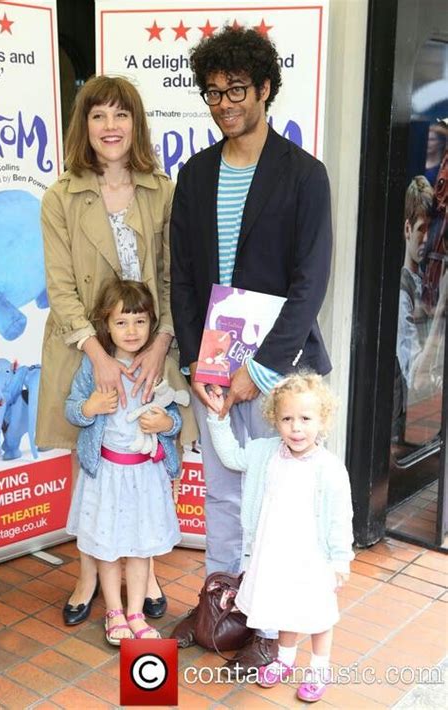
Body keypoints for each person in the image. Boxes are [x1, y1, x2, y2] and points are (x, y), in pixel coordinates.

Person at [170, 25, 333, 672]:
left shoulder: (303, 175)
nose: (225, 102)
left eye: (237, 88)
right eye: (213, 92)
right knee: (219, 494)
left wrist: (258, 372)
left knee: (277, 505)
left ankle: (272, 624)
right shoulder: (197, 172)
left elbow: (309, 283)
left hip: (280, 375)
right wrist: (195, 362)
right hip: (212, 364)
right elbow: (183, 276)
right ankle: (221, 606)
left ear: (265, 88)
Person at [37, 75, 195, 626]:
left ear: (136, 123)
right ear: (84, 125)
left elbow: (179, 277)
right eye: (98, 116)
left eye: (120, 115)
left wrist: (161, 341)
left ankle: (145, 572)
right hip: (84, 347)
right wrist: (96, 353)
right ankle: (88, 575)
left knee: (150, 458)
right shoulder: (61, 196)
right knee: (97, 463)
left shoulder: (163, 190)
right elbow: (60, 285)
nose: (110, 127)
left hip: (151, 345)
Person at [207, 372, 354, 701]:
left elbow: (340, 517)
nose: (296, 427)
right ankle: (284, 659)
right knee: (287, 608)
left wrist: (340, 558)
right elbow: (232, 456)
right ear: (275, 419)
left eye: (305, 418)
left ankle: (319, 668)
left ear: (322, 420)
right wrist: (218, 420)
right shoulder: (265, 453)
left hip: (313, 557)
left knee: (316, 615)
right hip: (276, 552)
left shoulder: (329, 468)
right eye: (287, 418)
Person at [65, 278, 182, 644]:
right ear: (106, 324)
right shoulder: (94, 366)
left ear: (151, 323)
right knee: (108, 544)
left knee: (140, 544)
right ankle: (114, 612)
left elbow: (174, 415)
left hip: (144, 475)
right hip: (106, 474)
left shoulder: (156, 365)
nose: (131, 331)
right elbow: (72, 409)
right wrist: (90, 407)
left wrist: (165, 423)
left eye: (140, 321)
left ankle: (135, 612)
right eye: (121, 322)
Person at [392, 176, 433, 443]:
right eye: (421, 230)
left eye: (432, 230)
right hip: (404, 428)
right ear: (407, 229)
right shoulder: (402, 291)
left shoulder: (426, 283)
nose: (426, 239)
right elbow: (415, 376)